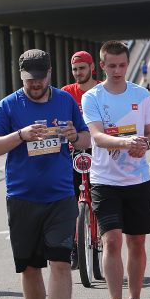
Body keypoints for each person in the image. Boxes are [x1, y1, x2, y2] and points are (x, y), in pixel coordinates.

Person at [0, 49, 90, 299]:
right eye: (31, 80)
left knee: (59, 262)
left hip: (60, 196)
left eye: (41, 78)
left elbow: (85, 139)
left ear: (50, 74)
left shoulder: (65, 101)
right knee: (30, 267)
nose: (36, 84)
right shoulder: (9, 106)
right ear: (22, 77)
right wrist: (20, 134)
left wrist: (73, 135)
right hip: (22, 198)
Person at [82, 40, 150, 299]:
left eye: (122, 65)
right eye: (111, 66)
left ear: (127, 64)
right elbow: (98, 138)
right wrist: (128, 143)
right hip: (105, 180)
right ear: (101, 65)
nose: (117, 70)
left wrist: (145, 144)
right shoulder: (93, 97)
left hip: (137, 179)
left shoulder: (142, 95)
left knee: (136, 241)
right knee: (111, 240)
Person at [61, 50, 102, 200]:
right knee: (69, 196)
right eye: (74, 69)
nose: (78, 72)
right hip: (74, 149)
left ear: (92, 67)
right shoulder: (66, 93)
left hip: (100, 149)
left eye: (82, 68)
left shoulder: (103, 90)